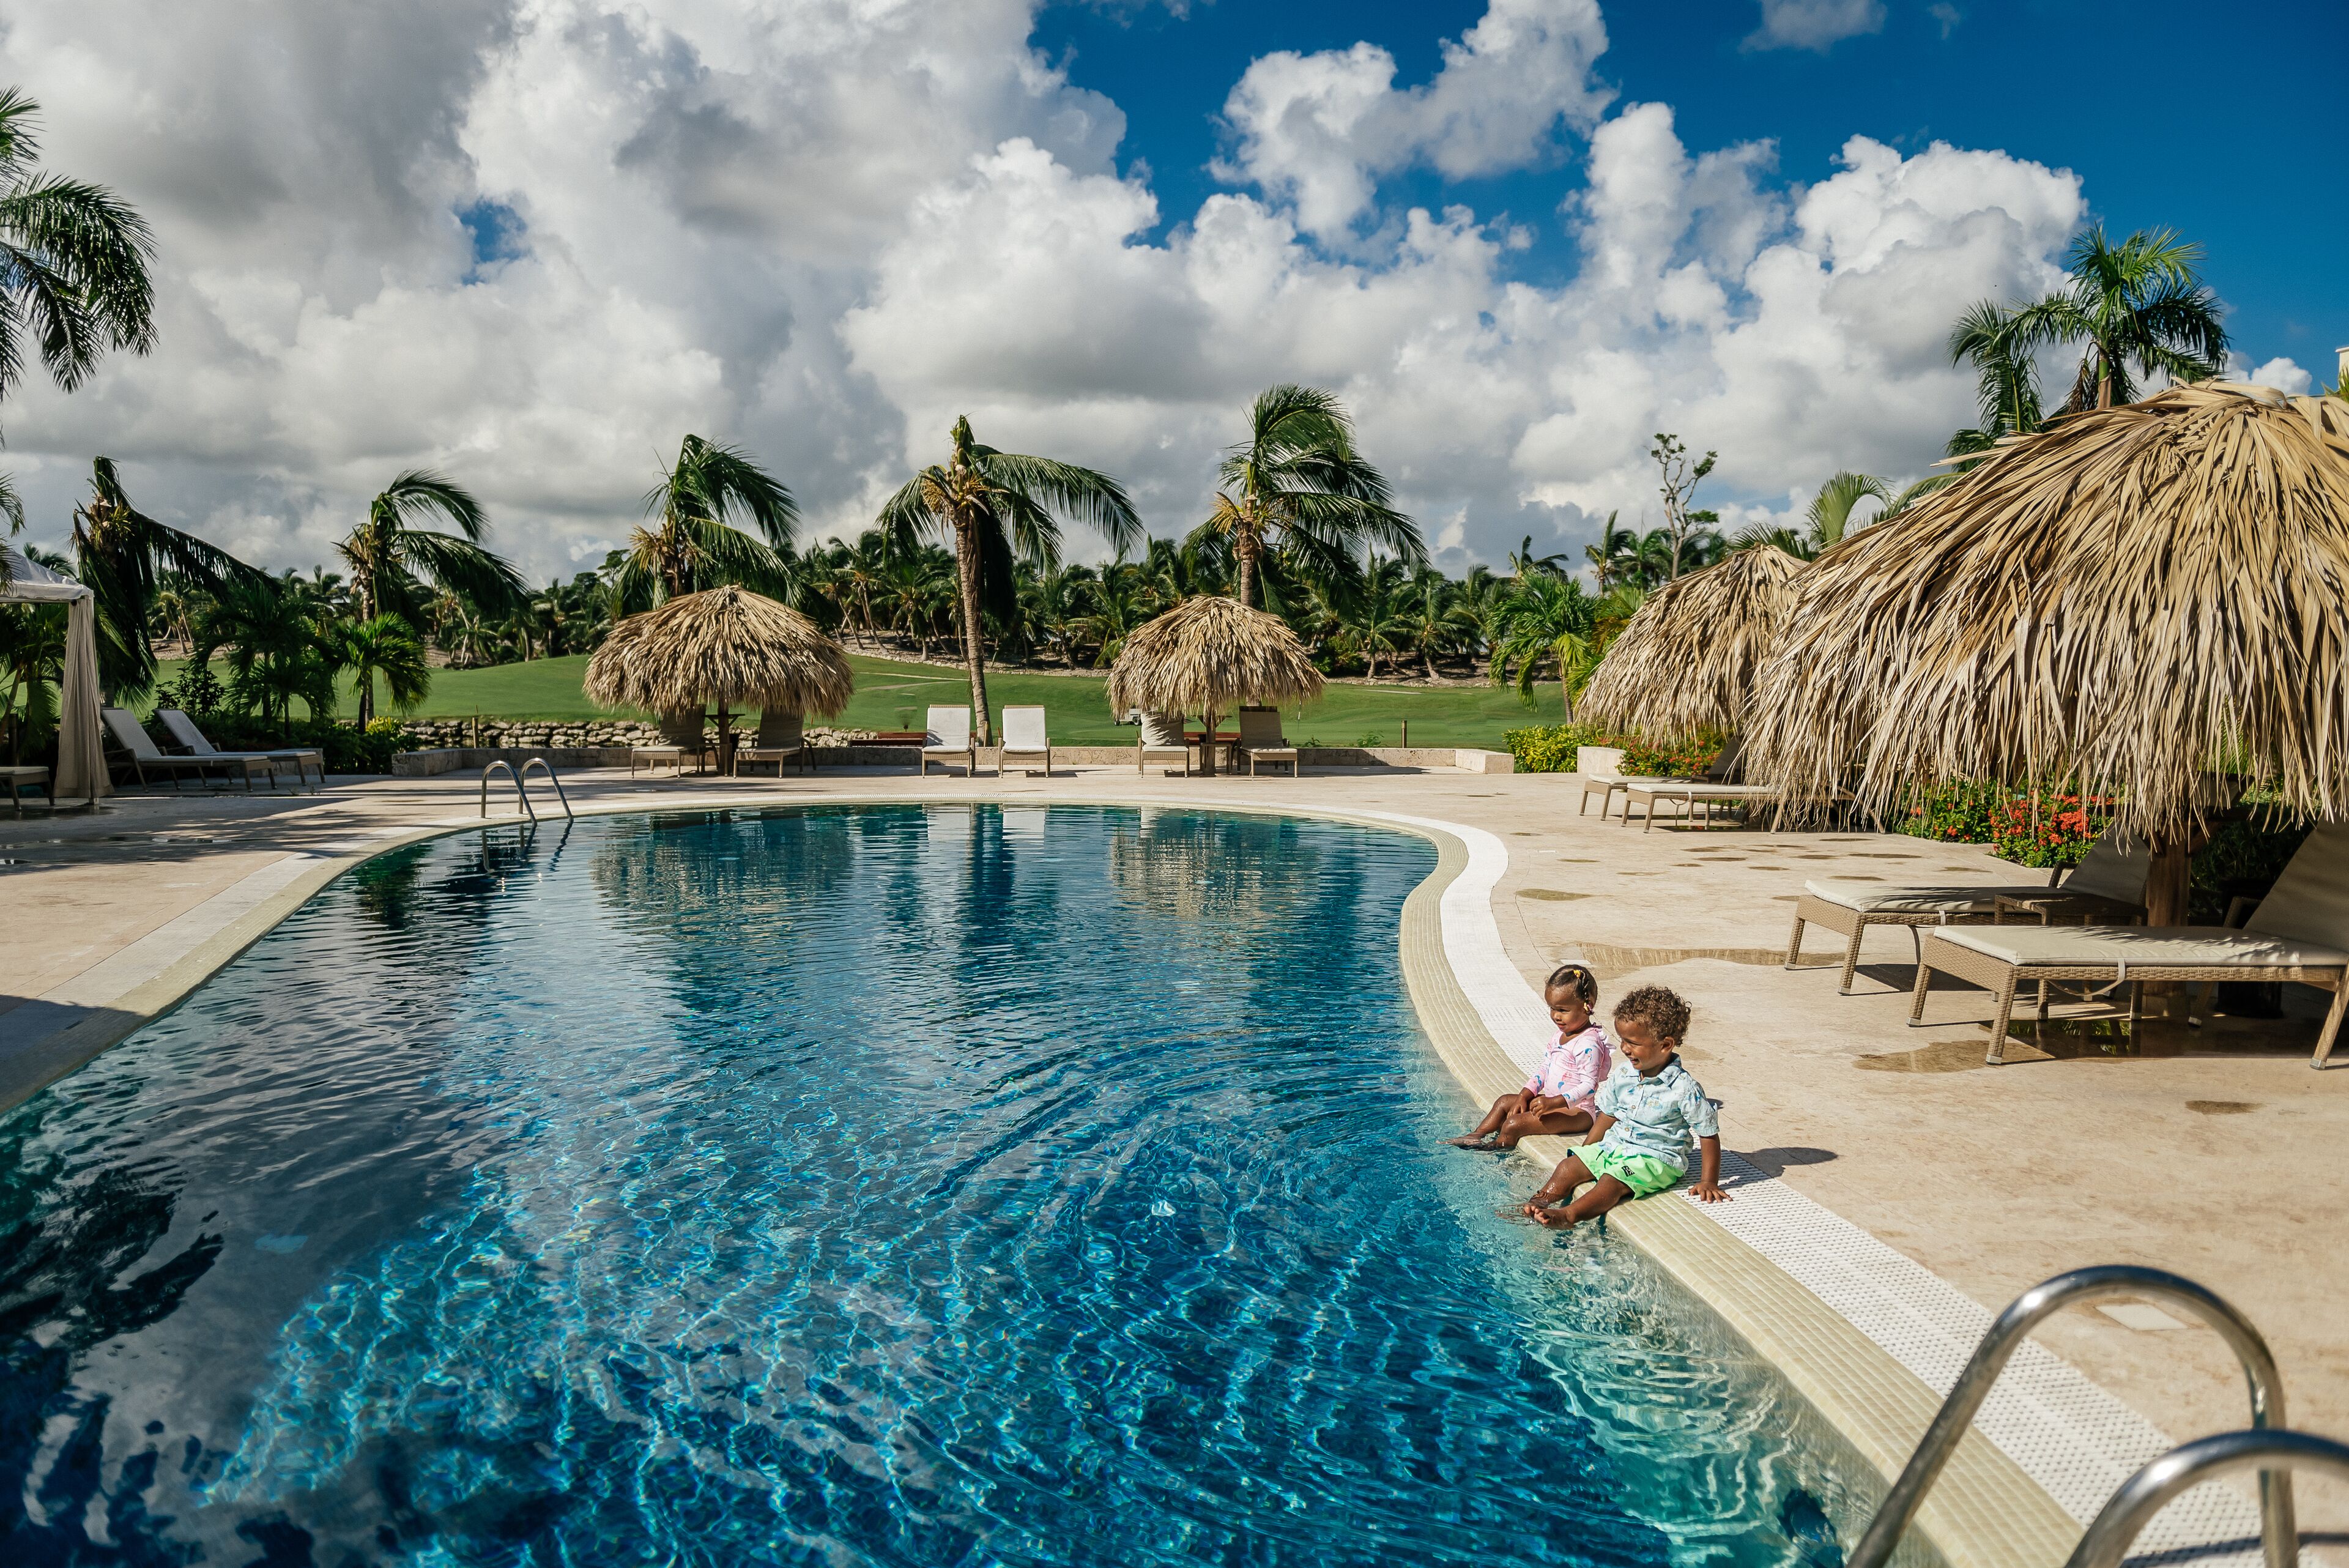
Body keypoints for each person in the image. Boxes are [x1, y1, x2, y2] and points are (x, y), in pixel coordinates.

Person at [1523, 984, 1726, 1227]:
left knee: (1612, 1181)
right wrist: (1587, 1151)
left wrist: (1709, 1181)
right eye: (1622, 1040)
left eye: (1633, 1043)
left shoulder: (1683, 1089)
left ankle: (1569, 1215)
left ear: (1665, 1045)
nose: (1625, 1049)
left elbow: (1708, 1133)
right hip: (1617, 1146)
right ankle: (1539, 1202)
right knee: (1569, 1165)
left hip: (1655, 1158)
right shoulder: (1624, 1075)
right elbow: (1608, 1116)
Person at [1445, 962, 1611, 1151]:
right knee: (1504, 1102)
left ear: (1587, 1006)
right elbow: (1544, 1069)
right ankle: (1474, 1136)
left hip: (1578, 1113)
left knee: (1513, 1124)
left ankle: (1496, 1149)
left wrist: (1552, 1102)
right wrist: (1525, 1094)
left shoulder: (1588, 1043)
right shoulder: (1559, 1036)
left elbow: (1589, 1087)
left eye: (1563, 1010)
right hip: (1553, 1103)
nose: (1556, 1016)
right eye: (1552, 1009)